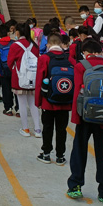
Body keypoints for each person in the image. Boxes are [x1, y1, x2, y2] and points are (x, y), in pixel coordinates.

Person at [66, 39, 103, 206]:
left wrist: (76, 118)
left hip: (85, 115)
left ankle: (75, 185)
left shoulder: (81, 66)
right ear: (101, 51)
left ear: (85, 53)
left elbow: (77, 93)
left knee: (79, 150)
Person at [36, 33, 72, 165]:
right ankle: (60, 156)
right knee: (62, 129)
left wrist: (38, 101)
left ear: (48, 44)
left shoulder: (44, 58)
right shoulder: (69, 59)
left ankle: (46, 153)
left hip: (48, 101)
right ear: (61, 44)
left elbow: (40, 81)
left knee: (47, 127)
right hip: (65, 100)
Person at [8, 22, 41, 138]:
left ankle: (25, 128)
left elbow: (9, 62)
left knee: (21, 104)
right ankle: (37, 129)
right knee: (33, 104)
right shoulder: (35, 46)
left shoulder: (15, 45)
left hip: (19, 79)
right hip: (33, 78)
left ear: (17, 32)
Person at [0, 24, 17, 116]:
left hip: (3, 71)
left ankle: (8, 109)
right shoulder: (14, 43)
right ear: (8, 33)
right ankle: (19, 109)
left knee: (6, 89)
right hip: (14, 71)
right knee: (16, 89)